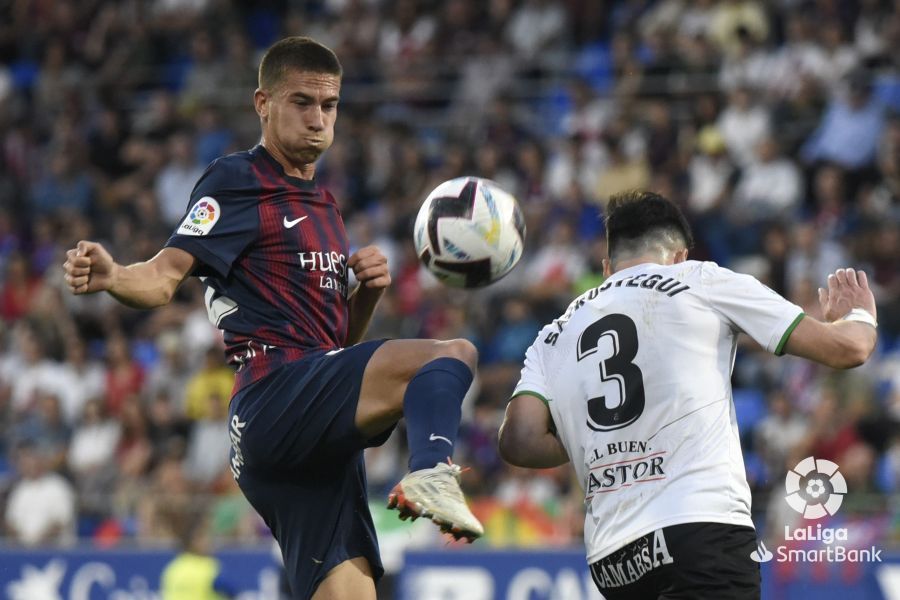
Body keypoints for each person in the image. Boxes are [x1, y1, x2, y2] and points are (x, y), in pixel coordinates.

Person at [63, 36, 482, 600]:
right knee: (452, 356)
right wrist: (115, 275)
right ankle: (433, 469)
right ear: (263, 104)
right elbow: (164, 277)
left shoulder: (327, 209)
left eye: (328, 106)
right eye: (301, 102)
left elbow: (334, 345)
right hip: (274, 396)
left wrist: (365, 298)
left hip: (302, 429)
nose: (317, 119)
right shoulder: (236, 180)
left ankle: (428, 474)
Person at [498, 190, 878, 599]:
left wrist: (592, 437)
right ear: (679, 256)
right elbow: (848, 349)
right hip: (700, 528)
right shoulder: (701, 280)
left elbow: (518, 441)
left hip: (613, 557)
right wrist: (858, 315)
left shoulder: (553, 334)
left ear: (607, 266)